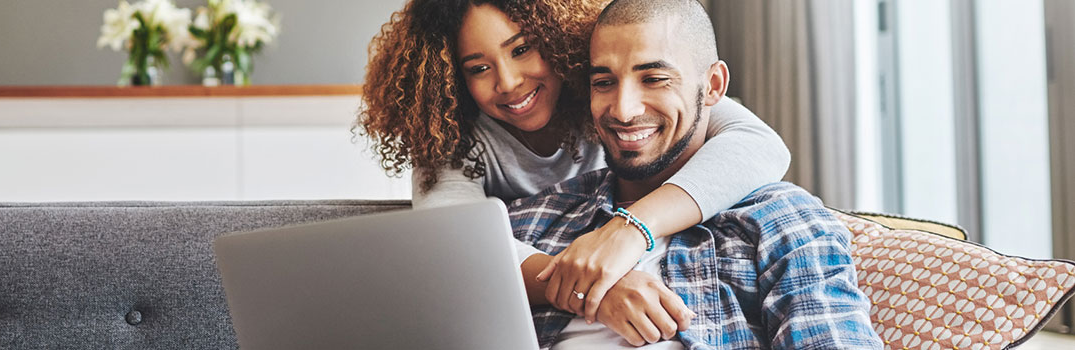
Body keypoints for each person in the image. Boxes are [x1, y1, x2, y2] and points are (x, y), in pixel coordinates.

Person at [357, 0, 791, 323]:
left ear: (559, 39)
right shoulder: (451, 140)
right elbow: (451, 245)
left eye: (522, 49)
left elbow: (760, 144)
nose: (508, 82)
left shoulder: (609, 97)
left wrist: (632, 229)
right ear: (450, 77)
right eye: (477, 68)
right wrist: (592, 290)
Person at [509, 0, 884, 348]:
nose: (623, 110)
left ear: (714, 86)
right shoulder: (534, 221)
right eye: (603, 82)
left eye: (654, 78)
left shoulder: (782, 221)